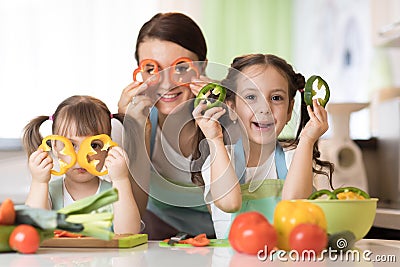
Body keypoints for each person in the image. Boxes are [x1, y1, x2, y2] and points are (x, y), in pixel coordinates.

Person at [193, 54, 334, 238]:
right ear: (232, 108)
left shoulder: (297, 157)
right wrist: (214, 139)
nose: (265, 108)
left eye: (276, 98)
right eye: (251, 97)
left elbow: (294, 203)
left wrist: (307, 140)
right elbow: (230, 203)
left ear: (290, 109)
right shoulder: (219, 158)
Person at [117, 12, 215, 239]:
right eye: (152, 69)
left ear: (203, 67)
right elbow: (135, 216)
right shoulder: (137, 119)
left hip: (225, 235)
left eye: (180, 68)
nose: (165, 82)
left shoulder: (230, 116)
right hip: (157, 236)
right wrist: (134, 131)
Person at [22, 95, 141, 234]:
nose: (81, 157)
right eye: (71, 145)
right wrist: (39, 182)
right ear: (54, 146)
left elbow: (129, 234)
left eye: (94, 145)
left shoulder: (115, 193)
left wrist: (121, 180)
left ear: (108, 148)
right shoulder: (47, 192)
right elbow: (32, 232)